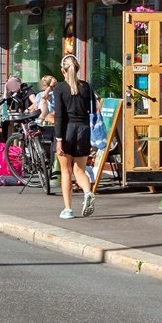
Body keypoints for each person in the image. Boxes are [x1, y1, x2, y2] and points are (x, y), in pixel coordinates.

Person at [53, 54, 99, 220]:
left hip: (66, 131)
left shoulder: (59, 88)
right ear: (77, 69)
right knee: (79, 169)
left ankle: (68, 209)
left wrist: (59, 139)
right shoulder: (86, 87)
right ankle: (87, 192)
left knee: (66, 171)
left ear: (63, 70)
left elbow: (59, 116)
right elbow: (94, 109)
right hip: (83, 130)